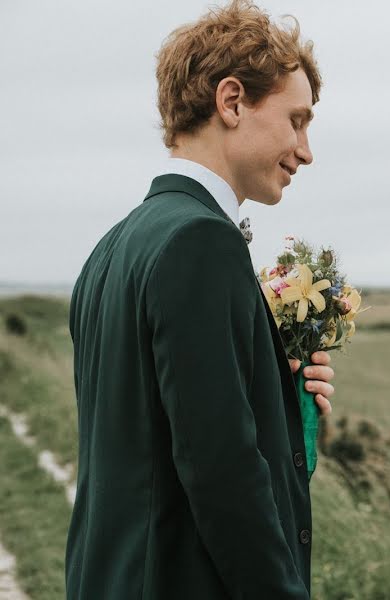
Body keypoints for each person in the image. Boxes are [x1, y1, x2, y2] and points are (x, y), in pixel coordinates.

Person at [65, 2, 333, 598]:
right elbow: (221, 471)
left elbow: (149, 433)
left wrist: (279, 401)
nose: (306, 149)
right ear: (232, 101)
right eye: (296, 120)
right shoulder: (201, 241)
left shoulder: (111, 249)